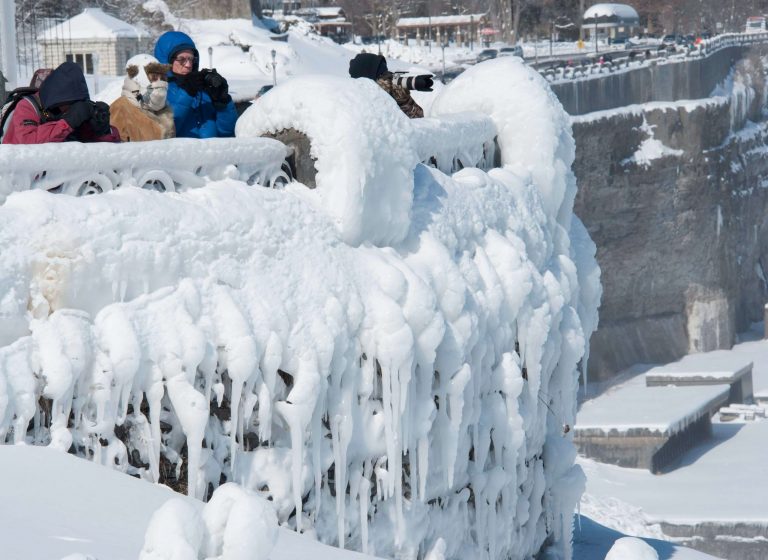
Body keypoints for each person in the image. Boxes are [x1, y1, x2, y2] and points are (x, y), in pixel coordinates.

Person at [2, 61, 120, 145]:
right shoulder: (27, 106)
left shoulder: (70, 110)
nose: (71, 109)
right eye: (69, 104)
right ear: (58, 97)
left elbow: (103, 147)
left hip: (63, 175)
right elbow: (27, 142)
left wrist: (101, 130)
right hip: (19, 174)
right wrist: (67, 123)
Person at [153, 31, 238, 138]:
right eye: (182, 59)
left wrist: (223, 103)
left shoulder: (202, 92)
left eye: (191, 59)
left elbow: (227, 133)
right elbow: (163, 133)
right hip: (180, 154)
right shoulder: (156, 94)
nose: (188, 65)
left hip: (213, 153)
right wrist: (186, 93)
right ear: (167, 61)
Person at [109, 54, 175, 142]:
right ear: (139, 78)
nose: (160, 82)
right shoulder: (120, 109)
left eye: (162, 78)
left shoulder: (165, 114)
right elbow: (114, 152)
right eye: (154, 77)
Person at [348, 53, 424, 119]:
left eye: (387, 74)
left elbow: (419, 119)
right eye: (383, 76)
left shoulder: (391, 88)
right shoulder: (367, 101)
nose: (389, 78)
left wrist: (404, 101)